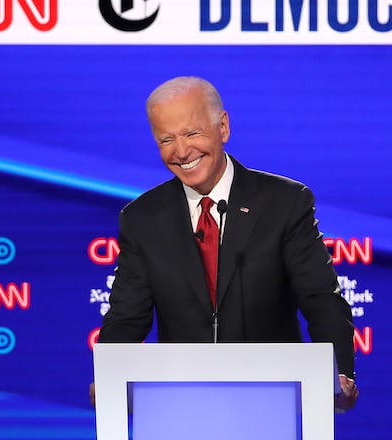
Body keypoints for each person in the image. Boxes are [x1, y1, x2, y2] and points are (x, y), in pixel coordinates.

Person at [93, 76, 358, 410]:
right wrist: (109, 377)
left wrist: (338, 374)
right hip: (181, 406)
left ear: (223, 127)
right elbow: (126, 317)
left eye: (191, 133)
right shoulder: (142, 218)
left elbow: (320, 299)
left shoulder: (284, 203)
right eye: (166, 140)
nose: (181, 151)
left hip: (273, 401)